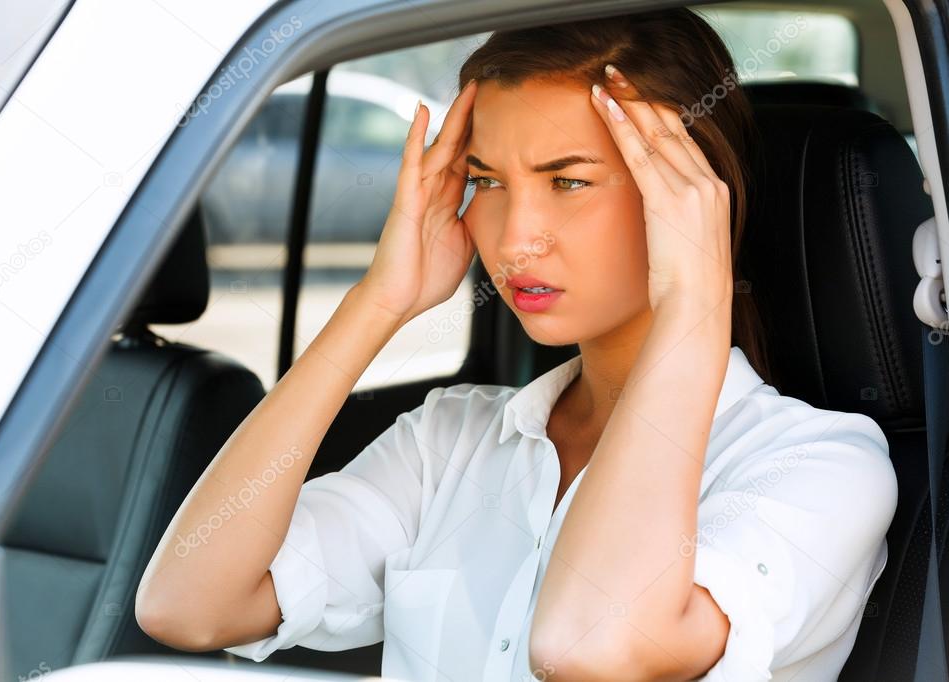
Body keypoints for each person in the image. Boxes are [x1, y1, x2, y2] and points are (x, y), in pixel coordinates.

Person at [135, 8, 898, 681]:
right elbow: (188, 606)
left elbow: (589, 649)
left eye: (567, 182)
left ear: (687, 197)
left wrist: (692, 303)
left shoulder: (820, 468)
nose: (514, 240)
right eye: (487, 181)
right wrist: (377, 302)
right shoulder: (449, 440)